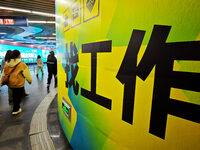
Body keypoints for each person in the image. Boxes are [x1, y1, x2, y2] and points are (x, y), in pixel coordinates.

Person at [0, 50, 32, 115]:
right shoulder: (22, 64)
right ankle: (16, 109)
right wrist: (29, 81)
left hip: (11, 83)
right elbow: (27, 74)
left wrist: (0, 82)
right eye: (20, 54)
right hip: (19, 83)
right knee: (18, 97)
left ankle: (16, 108)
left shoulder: (7, 64)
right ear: (18, 55)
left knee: (15, 96)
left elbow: (3, 74)